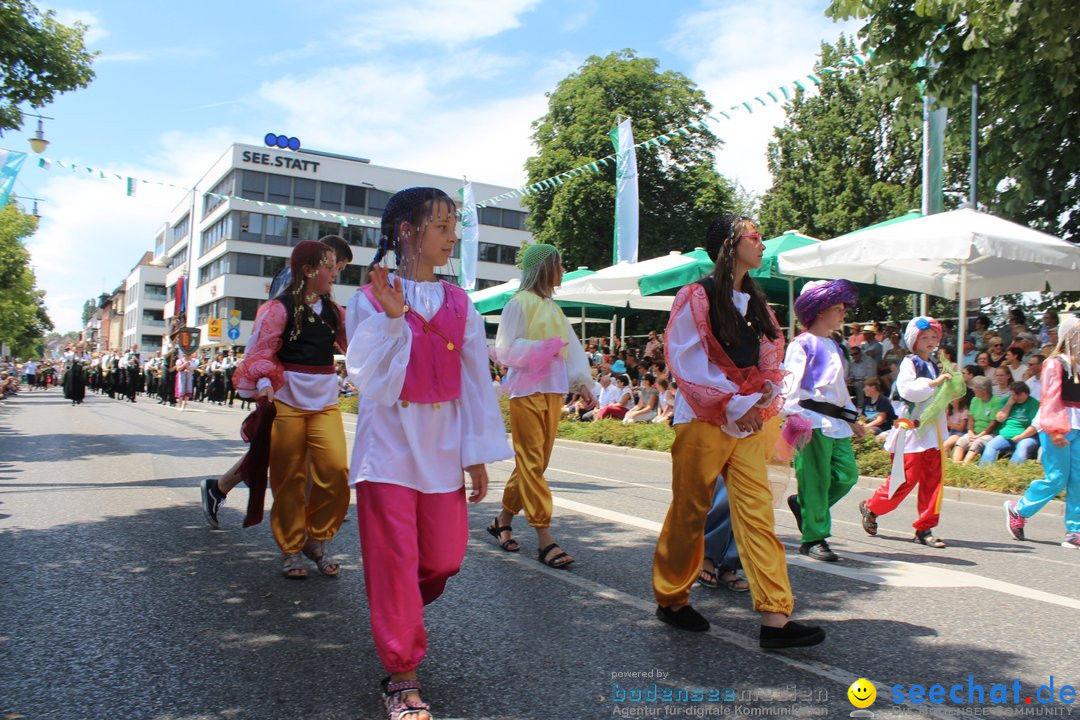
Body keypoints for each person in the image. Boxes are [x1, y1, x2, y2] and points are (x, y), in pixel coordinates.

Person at [345, 187, 511, 720]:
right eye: (442, 226)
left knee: (443, 560)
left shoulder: (461, 302)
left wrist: (476, 452)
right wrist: (394, 320)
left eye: (454, 225)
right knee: (394, 562)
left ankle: (394, 611)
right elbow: (369, 379)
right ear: (408, 232)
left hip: (441, 445)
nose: (453, 236)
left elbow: (475, 383)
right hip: (387, 448)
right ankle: (402, 677)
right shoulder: (367, 299)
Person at [652, 213, 824, 648]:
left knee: (757, 514)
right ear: (730, 245)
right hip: (703, 421)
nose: (762, 244)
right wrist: (737, 402)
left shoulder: (757, 303)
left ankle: (775, 617)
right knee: (690, 511)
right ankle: (672, 597)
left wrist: (762, 396)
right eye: (755, 237)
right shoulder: (696, 296)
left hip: (746, 424)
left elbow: (769, 360)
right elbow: (687, 361)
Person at [230, 240, 351, 578]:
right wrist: (264, 383)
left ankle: (316, 537)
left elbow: (360, 349)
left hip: (325, 402)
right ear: (309, 270)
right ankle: (292, 548)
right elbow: (260, 352)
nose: (334, 273)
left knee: (336, 470)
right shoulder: (278, 309)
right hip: (287, 401)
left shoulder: (335, 312)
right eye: (329, 266)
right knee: (288, 478)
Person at [491, 242, 593, 569]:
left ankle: (502, 521)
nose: (563, 270)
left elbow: (572, 351)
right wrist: (542, 348)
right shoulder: (518, 304)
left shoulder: (553, 307)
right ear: (545, 267)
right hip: (526, 392)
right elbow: (505, 349)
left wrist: (582, 385)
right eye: (559, 264)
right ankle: (545, 538)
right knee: (532, 463)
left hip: (553, 391)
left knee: (534, 464)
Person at [859, 317, 965, 549]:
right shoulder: (911, 362)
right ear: (914, 341)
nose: (930, 341)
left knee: (933, 483)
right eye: (925, 337)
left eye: (933, 337)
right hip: (912, 432)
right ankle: (872, 507)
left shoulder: (935, 364)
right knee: (903, 480)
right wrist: (935, 383)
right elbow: (907, 391)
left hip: (933, 434)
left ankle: (924, 528)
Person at [780, 279, 863, 562]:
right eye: (837, 308)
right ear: (819, 311)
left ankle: (805, 507)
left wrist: (852, 418)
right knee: (815, 481)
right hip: (811, 422)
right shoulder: (801, 345)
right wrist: (796, 419)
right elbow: (788, 388)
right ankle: (814, 538)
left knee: (847, 475)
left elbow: (838, 390)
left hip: (836, 424)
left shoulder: (834, 345)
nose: (843, 314)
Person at [1004, 314, 1080, 548]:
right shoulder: (1055, 363)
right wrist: (1055, 430)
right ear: (1070, 336)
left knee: (1078, 480)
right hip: (1058, 425)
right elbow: (1050, 398)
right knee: (1057, 479)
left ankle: (1074, 531)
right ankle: (1019, 509)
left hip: (1078, 425)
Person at [979, 382, 1040, 466]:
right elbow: (1000, 419)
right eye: (1013, 395)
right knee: (991, 445)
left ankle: (1013, 472)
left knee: (1022, 447)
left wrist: (1021, 436)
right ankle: (984, 470)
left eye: (1018, 395)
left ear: (1025, 393)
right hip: (1006, 435)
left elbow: (1035, 426)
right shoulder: (1007, 400)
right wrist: (1009, 404)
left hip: (1027, 436)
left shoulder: (1034, 404)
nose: (1015, 397)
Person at [952, 375, 1005, 464]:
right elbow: (971, 418)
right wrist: (970, 432)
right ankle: (956, 465)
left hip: (990, 433)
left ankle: (965, 465)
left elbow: (992, 424)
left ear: (984, 390)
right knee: (961, 441)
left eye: (975, 388)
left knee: (977, 443)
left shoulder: (996, 401)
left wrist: (979, 436)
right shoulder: (974, 400)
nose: (972, 390)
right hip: (974, 432)